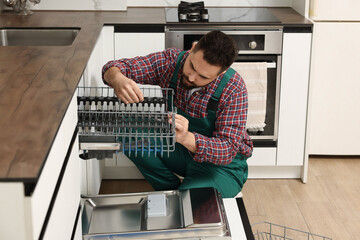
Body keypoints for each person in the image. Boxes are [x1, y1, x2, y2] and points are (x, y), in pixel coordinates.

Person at [102, 30, 253, 198]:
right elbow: (114, 67)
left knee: (186, 206)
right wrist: (117, 78)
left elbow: (227, 150)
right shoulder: (171, 61)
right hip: (179, 151)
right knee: (126, 127)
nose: (191, 77)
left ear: (221, 73)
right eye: (192, 66)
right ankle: (169, 191)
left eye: (203, 76)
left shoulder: (234, 88)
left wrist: (185, 137)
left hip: (221, 168)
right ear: (193, 48)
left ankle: (183, 194)